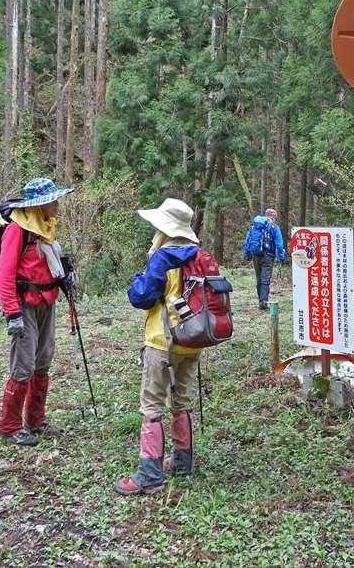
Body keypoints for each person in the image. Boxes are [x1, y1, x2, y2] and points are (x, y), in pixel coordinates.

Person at [115, 198, 202, 496]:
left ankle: (149, 475)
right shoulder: (199, 255)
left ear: (164, 228)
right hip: (193, 339)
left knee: (152, 404)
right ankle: (182, 462)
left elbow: (141, 297)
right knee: (182, 400)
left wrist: (136, 281)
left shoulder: (164, 257)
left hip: (162, 341)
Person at [0, 177, 75, 447]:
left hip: (46, 302)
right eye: (53, 201)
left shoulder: (45, 227)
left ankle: (35, 420)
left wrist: (65, 278)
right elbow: (4, 275)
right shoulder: (17, 229)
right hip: (24, 305)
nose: (57, 205)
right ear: (38, 205)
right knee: (24, 364)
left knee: (43, 360)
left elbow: (46, 264)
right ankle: (9, 426)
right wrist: (12, 313)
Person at [243, 208, 287, 310]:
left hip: (255, 255)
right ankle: (263, 301)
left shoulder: (255, 226)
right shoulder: (274, 227)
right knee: (265, 279)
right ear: (274, 217)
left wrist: (247, 253)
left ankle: (260, 300)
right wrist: (281, 257)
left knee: (259, 278)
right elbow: (279, 244)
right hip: (268, 256)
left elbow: (248, 239)